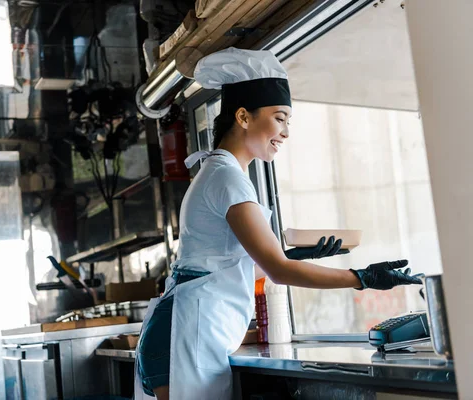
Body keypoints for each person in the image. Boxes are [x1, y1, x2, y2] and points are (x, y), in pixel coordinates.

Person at [134, 47, 422, 400]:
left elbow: (230, 268)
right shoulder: (227, 177)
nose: (286, 132)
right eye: (280, 117)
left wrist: (296, 255)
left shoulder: (221, 172)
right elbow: (277, 272)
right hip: (185, 339)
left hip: (182, 333)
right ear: (243, 116)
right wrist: (361, 278)